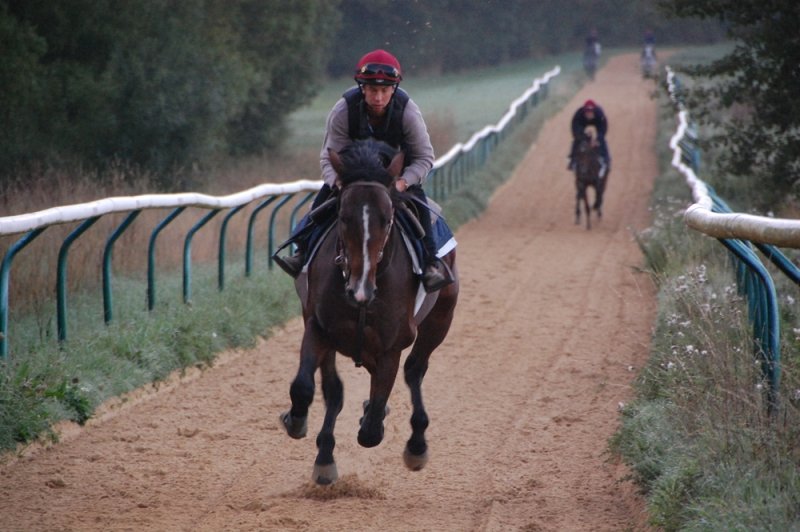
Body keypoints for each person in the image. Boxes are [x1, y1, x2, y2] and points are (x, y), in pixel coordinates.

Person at [274, 49, 451, 293]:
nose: (378, 97)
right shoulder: (343, 110)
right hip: (351, 179)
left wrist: (401, 183)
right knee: (320, 207)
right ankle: (301, 251)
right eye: (372, 90)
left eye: (384, 91)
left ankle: (430, 262)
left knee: (419, 212)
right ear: (362, 88)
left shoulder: (408, 112)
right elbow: (328, 155)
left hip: (395, 180)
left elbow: (424, 157)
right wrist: (339, 183)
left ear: (394, 89)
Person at [567, 99, 610, 174]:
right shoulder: (578, 115)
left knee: (602, 140)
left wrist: (597, 139)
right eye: (587, 112)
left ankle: (606, 159)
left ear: (594, 111)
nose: (589, 114)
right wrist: (584, 137)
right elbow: (575, 131)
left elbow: (603, 129)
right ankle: (572, 160)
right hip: (582, 123)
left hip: (597, 122)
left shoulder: (599, 114)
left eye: (591, 112)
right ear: (584, 111)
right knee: (576, 140)